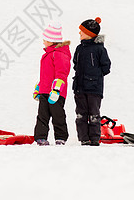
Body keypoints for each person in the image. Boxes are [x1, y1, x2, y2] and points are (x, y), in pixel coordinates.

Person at [72, 18, 111, 146]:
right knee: (80, 114)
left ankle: (94, 139)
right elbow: (75, 64)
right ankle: (84, 138)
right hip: (79, 87)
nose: (79, 33)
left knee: (94, 114)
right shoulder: (79, 48)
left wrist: (94, 76)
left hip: (94, 88)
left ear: (89, 33)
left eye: (81, 31)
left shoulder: (99, 49)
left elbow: (106, 67)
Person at [33, 23, 71, 146]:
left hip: (56, 93)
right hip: (44, 91)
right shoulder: (47, 55)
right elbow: (45, 75)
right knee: (42, 115)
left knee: (57, 115)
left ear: (51, 40)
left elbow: (62, 74)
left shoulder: (59, 54)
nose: (43, 41)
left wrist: (56, 90)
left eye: (45, 39)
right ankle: (41, 137)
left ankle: (61, 137)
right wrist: (38, 88)